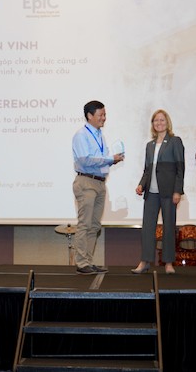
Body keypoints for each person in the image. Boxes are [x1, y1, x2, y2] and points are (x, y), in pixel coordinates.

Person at [72, 100, 124, 275]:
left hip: (100, 183)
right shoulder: (81, 135)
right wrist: (110, 158)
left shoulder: (100, 135)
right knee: (85, 224)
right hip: (86, 182)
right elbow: (85, 160)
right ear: (90, 116)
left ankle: (88, 261)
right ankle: (81, 262)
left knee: (94, 226)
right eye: (101, 115)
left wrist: (112, 159)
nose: (104, 118)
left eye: (105, 114)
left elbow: (100, 158)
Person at [134, 109, 185, 275]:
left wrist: (178, 191)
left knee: (169, 227)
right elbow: (147, 170)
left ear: (167, 122)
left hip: (169, 192)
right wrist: (141, 185)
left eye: (162, 120)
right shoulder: (149, 145)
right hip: (151, 193)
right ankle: (145, 261)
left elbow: (180, 168)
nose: (159, 123)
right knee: (148, 227)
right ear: (152, 124)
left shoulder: (175, 141)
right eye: (156, 120)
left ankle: (168, 263)